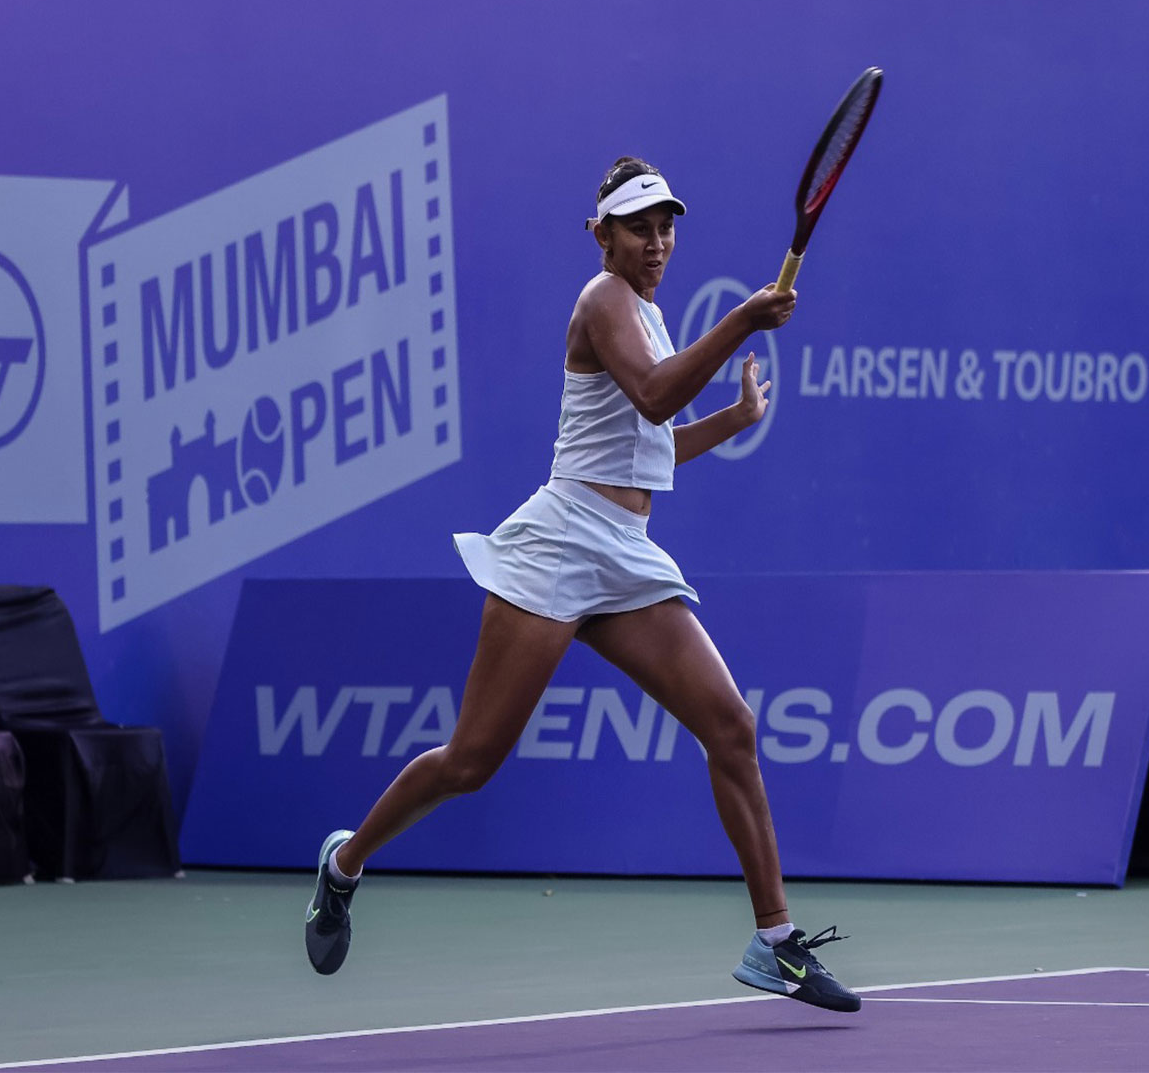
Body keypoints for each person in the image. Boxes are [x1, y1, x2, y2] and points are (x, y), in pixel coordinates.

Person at [304, 157, 860, 1013]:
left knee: (731, 725)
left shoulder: (651, 315)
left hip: (627, 550)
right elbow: (650, 395)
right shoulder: (602, 300)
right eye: (639, 227)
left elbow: (649, 451)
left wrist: (736, 417)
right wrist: (745, 317)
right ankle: (345, 864)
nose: (657, 241)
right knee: (471, 761)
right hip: (558, 545)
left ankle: (776, 942)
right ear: (601, 234)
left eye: (667, 225)